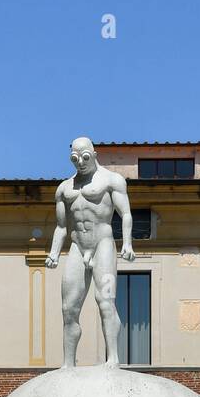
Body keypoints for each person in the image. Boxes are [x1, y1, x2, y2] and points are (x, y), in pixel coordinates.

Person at [46, 137, 135, 367]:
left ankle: (113, 358)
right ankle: (68, 363)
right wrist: (54, 252)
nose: (81, 163)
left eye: (85, 157)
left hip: (103, 244)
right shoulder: (64, 189)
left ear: (94, 155)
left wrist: (127, 243)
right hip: (77, 247)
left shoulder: (112, 180)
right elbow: (62, 227)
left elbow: (125, 213)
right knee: (68, 308)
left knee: (105, 300)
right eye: (75, 159)